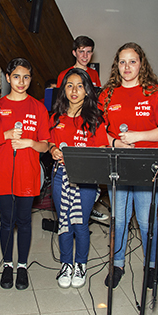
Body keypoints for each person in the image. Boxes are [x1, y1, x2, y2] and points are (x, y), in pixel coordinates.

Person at [99, 42, 158, 289]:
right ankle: (117, 264)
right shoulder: (107, 94)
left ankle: (150, 267)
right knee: (118, 219)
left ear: (142, 64)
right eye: (122, 62)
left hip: (147, 166)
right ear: (116, 65)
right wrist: (116, 141)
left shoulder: (155, 93)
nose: (127, 67)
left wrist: (138, 136)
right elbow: (98, 129)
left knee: (145, 220)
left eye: (132, 61)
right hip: (117, 164)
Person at [0, 58, 50, 290]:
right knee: (6, 221)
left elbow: (45, 145)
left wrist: (29, 142)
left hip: (28, 173)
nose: (21, 81)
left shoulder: (38, 107)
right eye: (16, 76)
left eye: (26, 77)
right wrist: (5, 135)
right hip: (4, 172)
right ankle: (7, 265)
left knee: (24, 222)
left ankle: (23, 266)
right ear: (8, 78)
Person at [49, 68, 107, 288]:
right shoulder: (56, 117)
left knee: (80, 224)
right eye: (69, 85)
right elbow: (49, 142)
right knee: (64, 222)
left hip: (85, 179)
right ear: (63, 89)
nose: (74, 90)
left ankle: (80, 264)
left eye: (79, 86)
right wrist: (53, 149)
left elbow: (101, 149)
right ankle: (66, 264)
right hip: (60, 176)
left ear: (87, 90)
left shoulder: (94, 118)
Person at [57, 36, 106, 222]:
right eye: (81, 51)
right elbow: (61, 102)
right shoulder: (64, 74)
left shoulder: (93, 75)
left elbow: (97, 101)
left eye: (88, 52)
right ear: (74, 52)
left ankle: (88, 206)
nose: (85, 55)